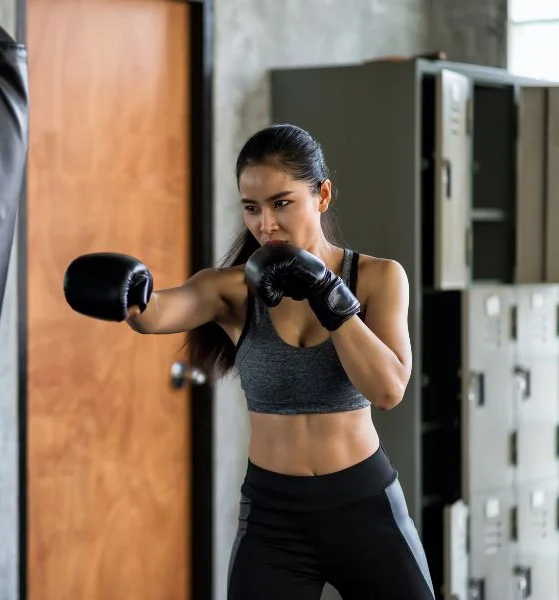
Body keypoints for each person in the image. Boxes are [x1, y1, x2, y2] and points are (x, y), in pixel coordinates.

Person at [62, 123, 434, 599]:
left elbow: (387, 390)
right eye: (252, 208)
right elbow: (156, 313)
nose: (266, 225)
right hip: (274, 518)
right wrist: (132, 296)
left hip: (364, 504)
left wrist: (328, 293)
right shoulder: (233, 289)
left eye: (282, 203)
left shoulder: (377, 278)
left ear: (321, 195)